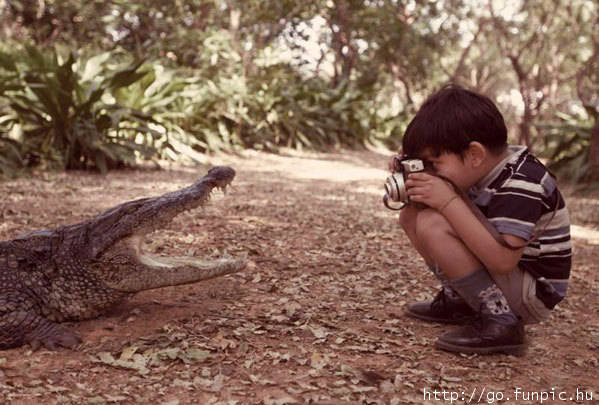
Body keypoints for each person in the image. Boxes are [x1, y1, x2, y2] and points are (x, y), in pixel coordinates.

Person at [394, 84, 571, 355]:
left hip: (532, 293)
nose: (432, 171)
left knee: (433, 223)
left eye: (434, 163)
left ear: (475, 154)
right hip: (511, 277)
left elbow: (503, 260)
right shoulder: (482, 170)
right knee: (412, 214)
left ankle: (502, 320)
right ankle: (464, 300)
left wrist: (446, 199)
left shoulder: (523, 182)